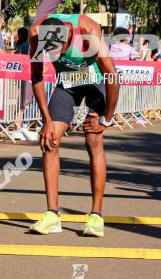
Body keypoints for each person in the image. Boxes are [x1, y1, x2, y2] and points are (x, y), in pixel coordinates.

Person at [28, 12, 119, 238]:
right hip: (67, 84)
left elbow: (113, 76)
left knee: (93, 139)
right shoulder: (35, 35)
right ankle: (52, 215)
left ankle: (96, 216)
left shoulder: (89, 32)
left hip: (94, 80)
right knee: (49, 141)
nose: (54, 56)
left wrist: (106, 119)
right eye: (49, 52)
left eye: (57, 51)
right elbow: (37, 77)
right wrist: (47, 121)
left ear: (67, 37)